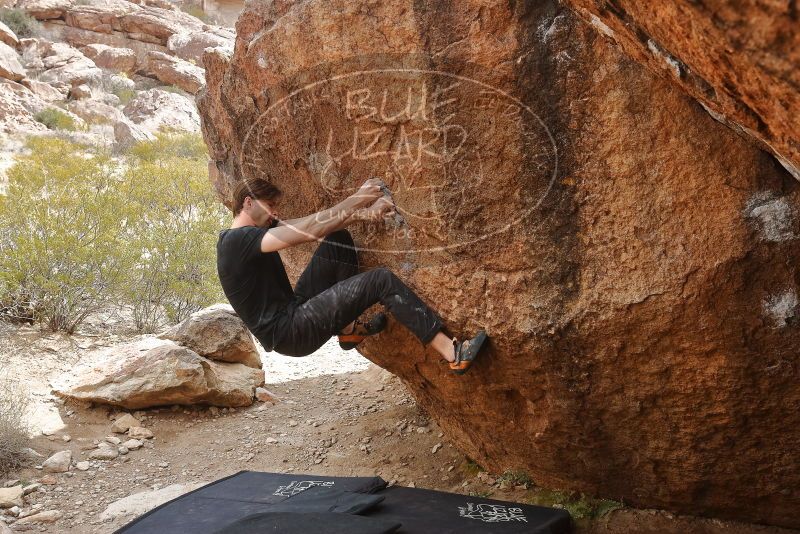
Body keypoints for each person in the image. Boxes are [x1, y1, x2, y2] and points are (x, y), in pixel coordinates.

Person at [216, 176, 488, 374]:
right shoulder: (237, 241)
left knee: (338, 239)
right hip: (290, 331)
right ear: (248, 203)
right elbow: (308, 229)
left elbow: (314, 224)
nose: (275, 212)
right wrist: (359, 197)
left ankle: (348, 330)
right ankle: (453, 353)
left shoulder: (247, 237)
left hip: (293, 311)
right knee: (381, 280)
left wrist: (363, 214)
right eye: (270, 205)